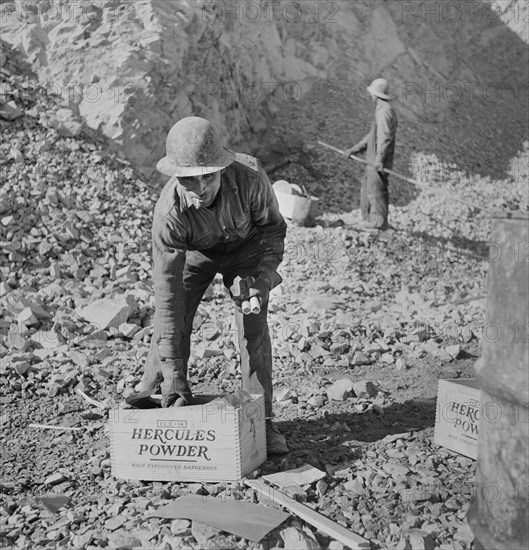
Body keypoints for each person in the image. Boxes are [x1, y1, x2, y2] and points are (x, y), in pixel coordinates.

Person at [140, 116, 289, 455]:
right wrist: (173, 369)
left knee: (253, 325)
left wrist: (263, 278)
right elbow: (167, 296)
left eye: (208, 176)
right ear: (175, 176)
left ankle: (262, 423)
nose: (200, 188)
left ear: (223, 167)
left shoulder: (250, 177)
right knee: (174, 322)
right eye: (189, 180)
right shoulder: (169, 215)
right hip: (196, 255)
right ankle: (163, 398)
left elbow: (273, 231)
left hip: (245, 252)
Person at [343, 78, 398, 230]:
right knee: (367, 188)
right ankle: (368, 220)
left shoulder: (384, 112)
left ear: (376, 95)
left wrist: (379, 160)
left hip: (377, 162)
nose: (370, 96)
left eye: (372, 94)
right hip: (372, 160)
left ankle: (378, 223)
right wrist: (354, 149)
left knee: (376, 191)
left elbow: (384, 137)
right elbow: (371, 136)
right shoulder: (380, 110)